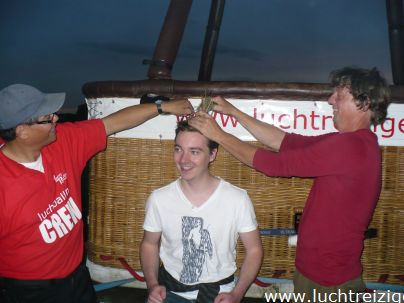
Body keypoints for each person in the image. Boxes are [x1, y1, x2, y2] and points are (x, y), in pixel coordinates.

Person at [188, 67, 390, 302]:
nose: (330, 100)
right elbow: (283, 141)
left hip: (329, 281)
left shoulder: (351, 147)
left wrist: (218, 135)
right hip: (322, 273)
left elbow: (272, 165)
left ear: (364, 103)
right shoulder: (355, 143)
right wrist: (234, 112)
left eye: (339, 95)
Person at [0, 83, 194, 303]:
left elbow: (113, 123)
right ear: (22, 131)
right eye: (47, 117)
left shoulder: (63, 140)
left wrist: (163, 107)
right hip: (29, 291)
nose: (56, 119)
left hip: (77, 277)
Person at [140, 121, 263, 303]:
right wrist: (152, 285)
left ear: (212, 154)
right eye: (178, 149)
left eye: (194, 151)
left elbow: (254, 249)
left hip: (220, 294)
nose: (183, 160)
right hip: (170, 291)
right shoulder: (159, 198)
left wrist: (237, 294)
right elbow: (149, 244)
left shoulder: (237, 199)